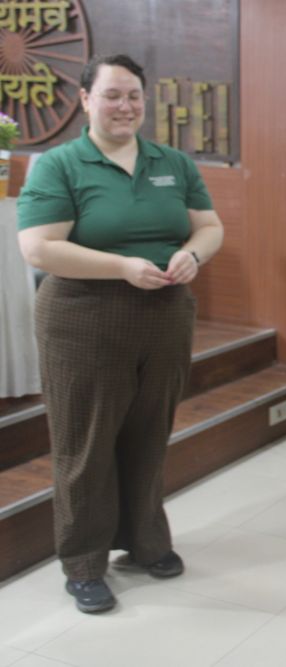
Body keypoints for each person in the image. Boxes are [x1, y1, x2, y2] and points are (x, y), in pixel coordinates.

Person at [17, 54, 224, 613]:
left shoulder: (171, 162)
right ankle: (83, 562)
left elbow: (209, 226)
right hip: (82, 318)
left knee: (149, 436)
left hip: (164, 316)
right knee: (85, 445)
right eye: (111, 95)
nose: (124, 106)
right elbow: (39, 248)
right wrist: (121, 267)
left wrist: (193, 254)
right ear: (85, 100)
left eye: (133, 95)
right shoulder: (59, 165)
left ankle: (146, 542)